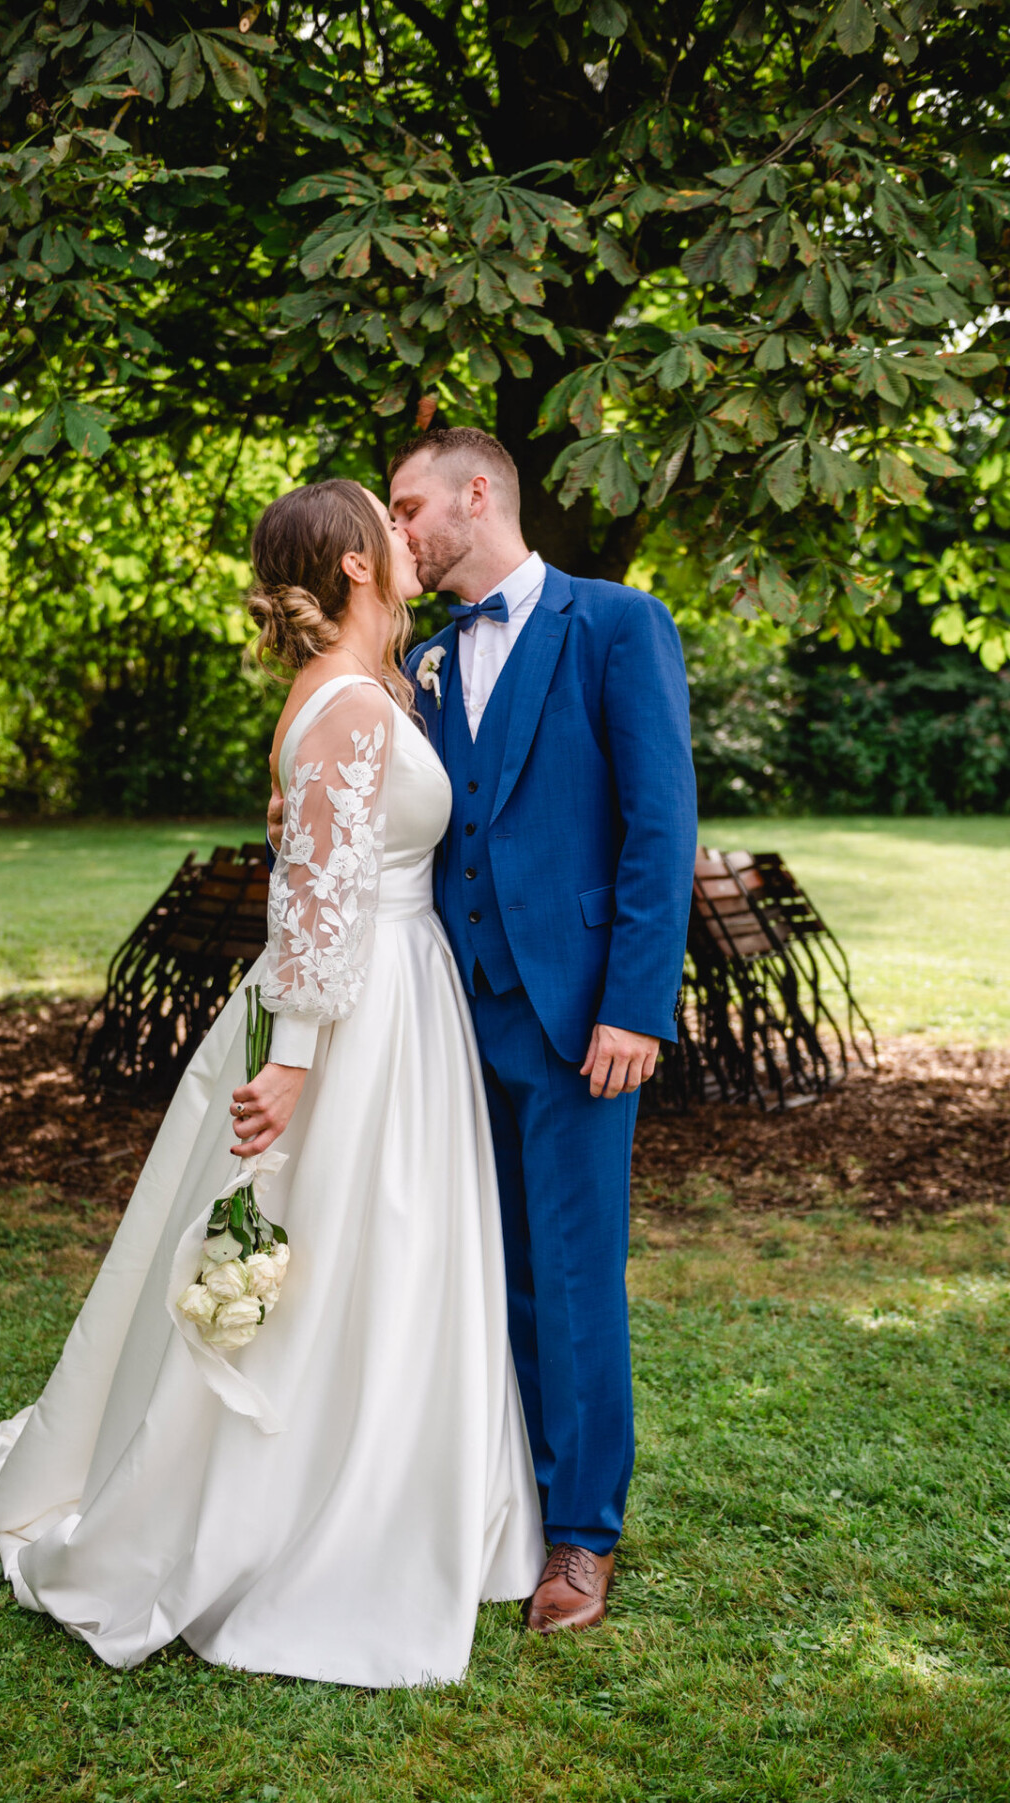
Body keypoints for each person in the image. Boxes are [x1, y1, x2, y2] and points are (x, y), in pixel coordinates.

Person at [0, 478, 544, 1688]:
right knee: (342, 1247)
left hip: (397, 996)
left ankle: (400, 1487)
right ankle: (304, 1516)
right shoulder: (346, 707)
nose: (409, 538)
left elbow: (325, 849)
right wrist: (295, 1065)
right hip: (353, 1015)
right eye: (389, 523)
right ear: (356, 564)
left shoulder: (368, 689)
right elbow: (313, 900)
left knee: (388, 1253)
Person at [389, 428, 697, 1635]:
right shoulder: (421, 659)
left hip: (578, 1016)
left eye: (410, 507)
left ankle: (581, 1536)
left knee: (572, 1275)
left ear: (479, 495)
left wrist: (634, 1004)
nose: (399, 531)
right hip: (447, 1018)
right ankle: (507, 1498)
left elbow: (660, 827)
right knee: (485, 1268)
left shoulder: (616, 624)